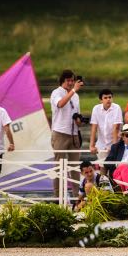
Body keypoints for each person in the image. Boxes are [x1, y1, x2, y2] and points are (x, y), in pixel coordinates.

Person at [49, 70, 83, 198]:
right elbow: (60, 104)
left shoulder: (76, 96)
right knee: (60, 166)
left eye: (72, 80)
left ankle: (77, 197)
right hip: (60, 133)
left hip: (74, 133)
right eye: (68, 80)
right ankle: (58, 197)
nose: (70, 83)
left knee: (75, 167)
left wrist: (79, 121)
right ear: (62, 81)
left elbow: (77, 114)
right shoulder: (56, 92)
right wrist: (73, 90)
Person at [88, 89, 122, 160]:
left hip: (115, 143)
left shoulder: (117, 108)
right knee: (102, 165)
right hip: (101, 145)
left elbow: (116, 128)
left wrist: (114, 147)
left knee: (114, 165)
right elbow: (94, 128)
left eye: (110, 97)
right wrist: (91, 146)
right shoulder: (96, 109)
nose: (108, 99)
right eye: (105, 98)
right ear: (101, 100)